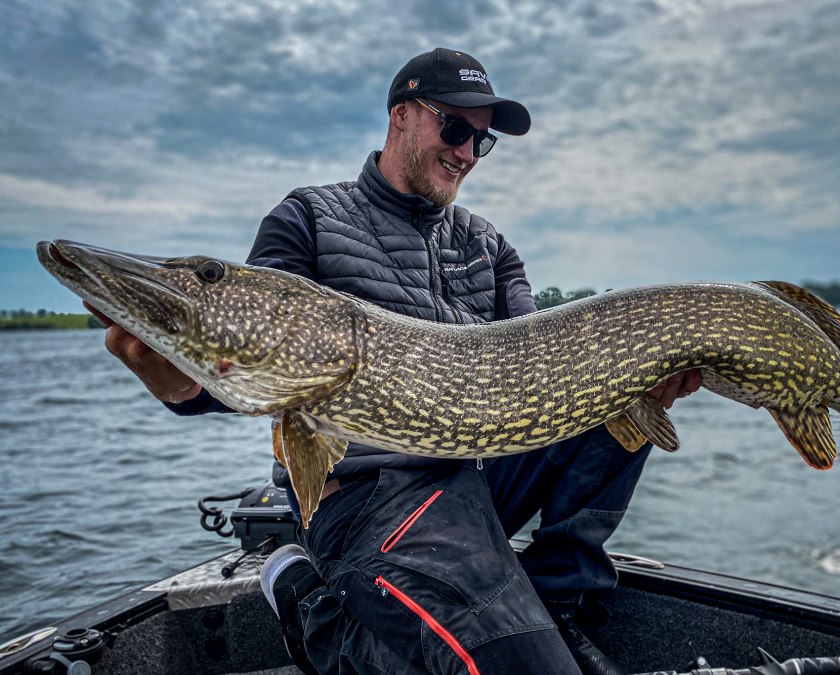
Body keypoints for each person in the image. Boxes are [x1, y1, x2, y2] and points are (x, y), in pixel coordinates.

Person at [94, 48, 701, 675]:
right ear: (401, 116)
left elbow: (536, 354)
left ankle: (557, 595)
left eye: (482, 140)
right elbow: (262, 357)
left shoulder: (489, 247)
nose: (467, 152)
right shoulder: (308, 218)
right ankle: (314, 615)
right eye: (456, 128)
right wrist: (182, 387)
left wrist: (647, 366)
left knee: (613, 391)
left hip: (473, 477)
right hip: (367, 493)